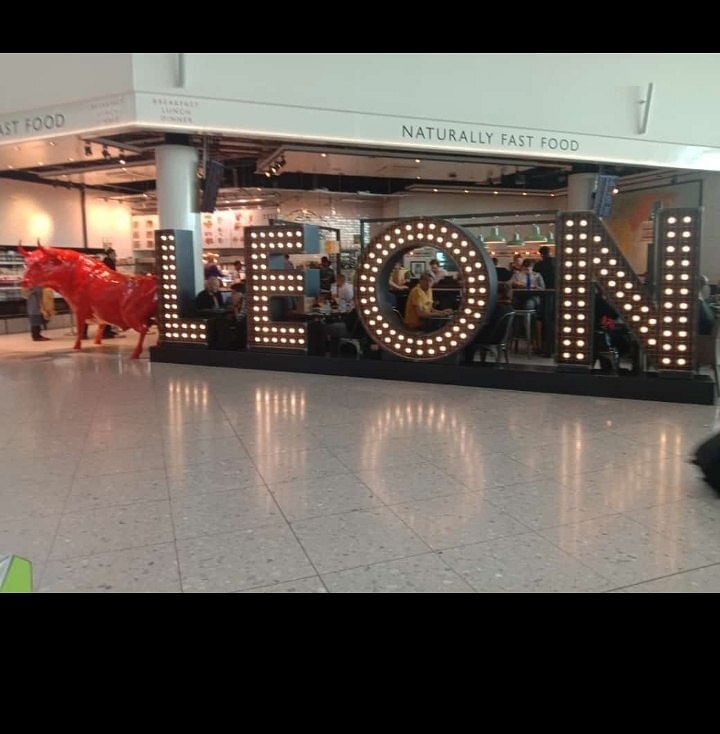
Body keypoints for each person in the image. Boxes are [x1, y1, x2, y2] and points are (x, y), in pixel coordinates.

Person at [463, 282, 514, 364]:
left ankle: (466, 363)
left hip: (490, 337)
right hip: (501, 337)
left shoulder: (497, 308)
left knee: (466, 338)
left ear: (499, 294)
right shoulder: (509, 307)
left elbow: (485, 322)